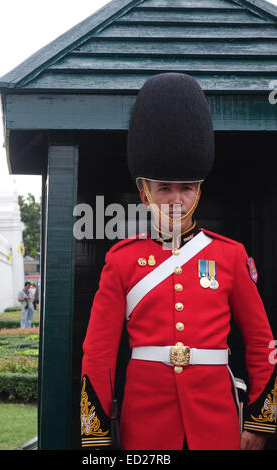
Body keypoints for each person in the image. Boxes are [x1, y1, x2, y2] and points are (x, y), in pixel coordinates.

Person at [80, 73, 277, 450]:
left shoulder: (229, 255)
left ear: (198, 190)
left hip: (216, 422)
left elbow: (262, 343)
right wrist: (97, 433)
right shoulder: (121, 261)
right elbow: (98, 352)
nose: (176, 199)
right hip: (147, 425)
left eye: (186, 188)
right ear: (144, 192)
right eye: (164, 188)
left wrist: (259, 420)